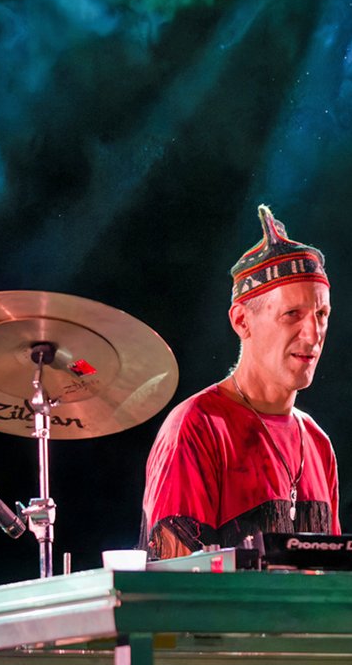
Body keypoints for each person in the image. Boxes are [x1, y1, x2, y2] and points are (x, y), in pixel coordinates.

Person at [142, 203, 340, 559]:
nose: (313, 334)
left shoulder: (317, 443)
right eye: (292, 314)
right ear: (241, 321)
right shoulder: (196, 427)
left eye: (321, 313)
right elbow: (178, 589)